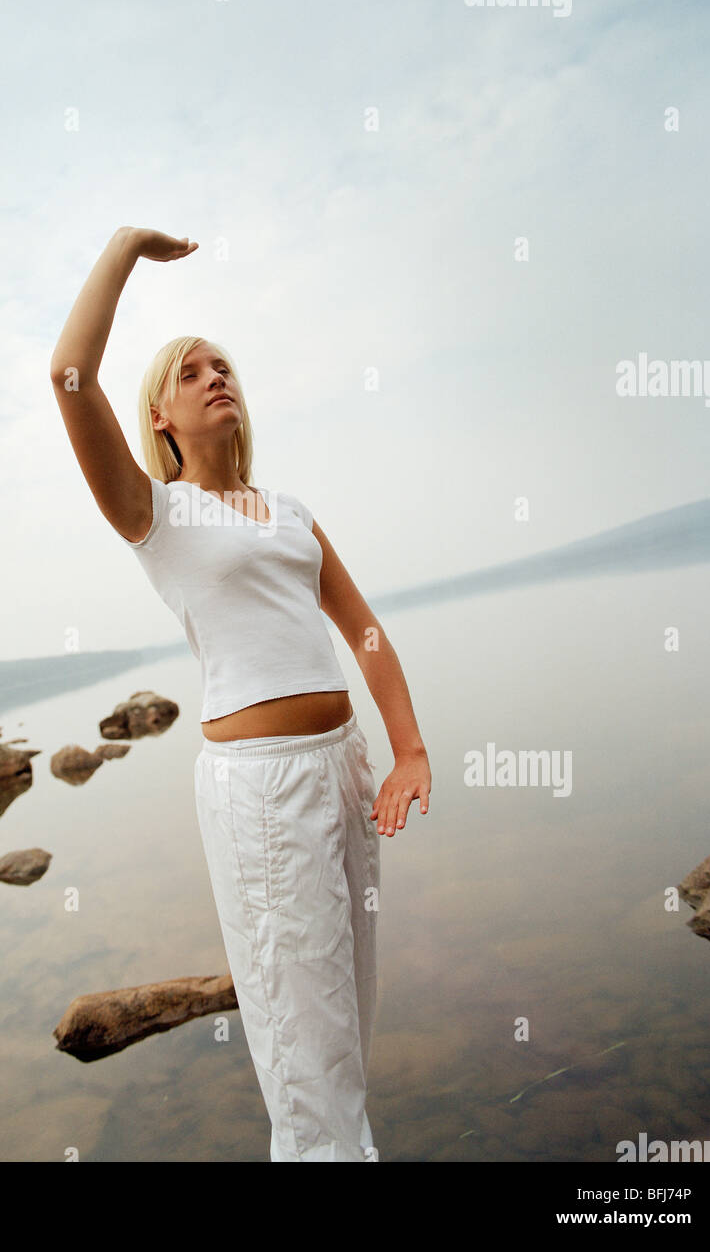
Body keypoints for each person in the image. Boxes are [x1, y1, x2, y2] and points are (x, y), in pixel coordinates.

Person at [51, 225, 431, 1162]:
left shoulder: (291, 511)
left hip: (342, 769)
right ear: (161, 418)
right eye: (189, 372)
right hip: (259, 792)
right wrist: (124, 251)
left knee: (348, 1022)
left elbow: (365, 631)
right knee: (302, 1042)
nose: (213, 375)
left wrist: (408, 747)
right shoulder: (154, 514)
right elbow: (68, 374)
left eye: (222, 365)